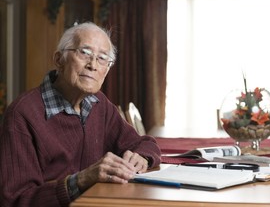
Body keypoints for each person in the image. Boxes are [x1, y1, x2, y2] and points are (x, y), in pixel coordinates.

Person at [0, 22, 161, 207]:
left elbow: (145, 143)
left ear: (106, 70)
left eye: (102, 58)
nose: (93, 65)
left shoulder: (99, 104)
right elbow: (15, 200)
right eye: (84, 53)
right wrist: (81, 180)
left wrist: (141, 156)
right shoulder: (22, 114)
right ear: (59, 60)